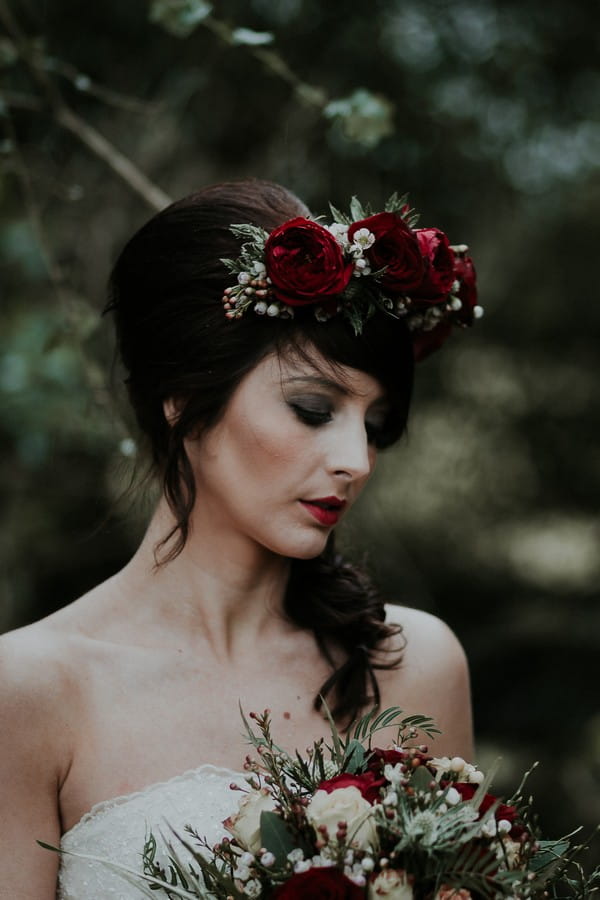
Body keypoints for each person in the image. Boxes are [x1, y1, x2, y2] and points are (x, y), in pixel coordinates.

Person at [0, 180, 477, 899]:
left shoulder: (415, 667)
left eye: (376, 425)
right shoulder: (31, 691)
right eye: (313, 409)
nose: (358, 459)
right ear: (185, 399)